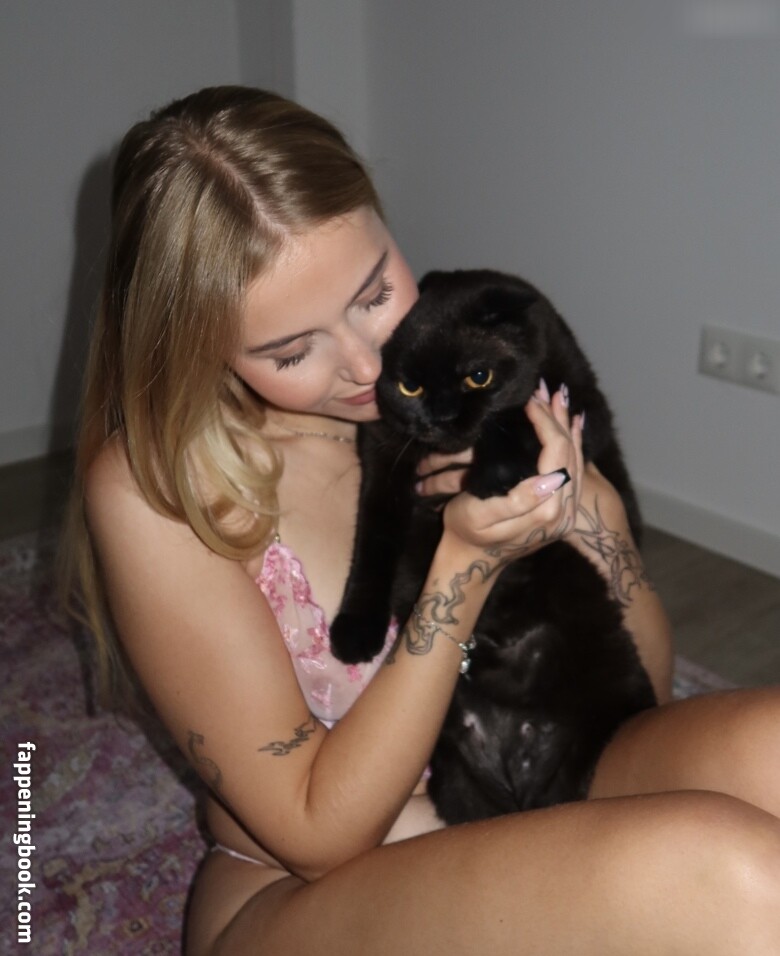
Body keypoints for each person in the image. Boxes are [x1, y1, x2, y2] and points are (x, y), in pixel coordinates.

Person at [64, 85, 780, 955]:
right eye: (292, 350)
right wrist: (464, 568)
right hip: (307, 889)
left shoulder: (451, 382)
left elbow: (642, 695)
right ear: (191, 341)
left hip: (533, 776)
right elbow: (317, 833)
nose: (367, 365)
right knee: (729, 873)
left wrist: (591, 520)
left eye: (373, 293)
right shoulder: (157, 488)